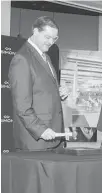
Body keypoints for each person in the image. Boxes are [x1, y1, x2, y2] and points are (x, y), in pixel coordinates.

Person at [9, 16, 65, 151]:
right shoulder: (22, 59)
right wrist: (41, 131)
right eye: (47, 37)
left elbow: (42, 91)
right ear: (35, 31)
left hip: (53, 136)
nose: (51, 42)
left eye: (54, 38)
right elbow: (22, 105)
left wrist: (59, 92)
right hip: (36, 140)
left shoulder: (45, 56)